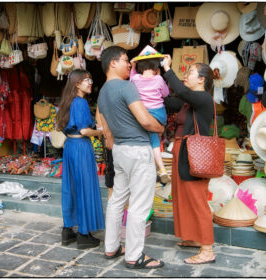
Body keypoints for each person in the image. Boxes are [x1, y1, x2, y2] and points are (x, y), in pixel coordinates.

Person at [98, 46, 165, 269]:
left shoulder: (103, 91)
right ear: (112, 64)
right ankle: (134, 256)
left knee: (117, 199)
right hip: (137, 150)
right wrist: (160, 128)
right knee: (139, 204)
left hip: (119, 150)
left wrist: (113, 139)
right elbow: (145, 121)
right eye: (126, 60)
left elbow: (105, 126)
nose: (130, 64)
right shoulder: (127, 87)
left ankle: (112, 247)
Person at [161, 54, 216, 264]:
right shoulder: (188, 103)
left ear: (201, 79)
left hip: (195, 156)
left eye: (191, 72)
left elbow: (182, 91)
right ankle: (194, 238)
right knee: (183, 196)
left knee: (197, 200)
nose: (187, 75)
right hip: (183, 153)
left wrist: (168, 69)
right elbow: (168, 100)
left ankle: (208, 249)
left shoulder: (203, 98)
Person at [57, 69, 105, 250]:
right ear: (77, 84)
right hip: (81, 147)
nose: (90, 82)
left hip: (70, 147)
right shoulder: (81, 103)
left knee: (71, 188)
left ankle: (67, 230)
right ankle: (84, 235)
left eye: (90, 78)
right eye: (86, 80)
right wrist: (101, 132)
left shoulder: (67, 102)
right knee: (84, 187)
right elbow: (85, 131)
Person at [129, 54, 170, 183]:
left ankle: (160, 168)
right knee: (154, 140)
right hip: (159, 114)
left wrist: (133, 67)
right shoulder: (158, 79)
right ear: (156, 66)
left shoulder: (135, 78)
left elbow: (130, 81)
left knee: (151, 140)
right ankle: (161, 168)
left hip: (144, 114)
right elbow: (166, 93)